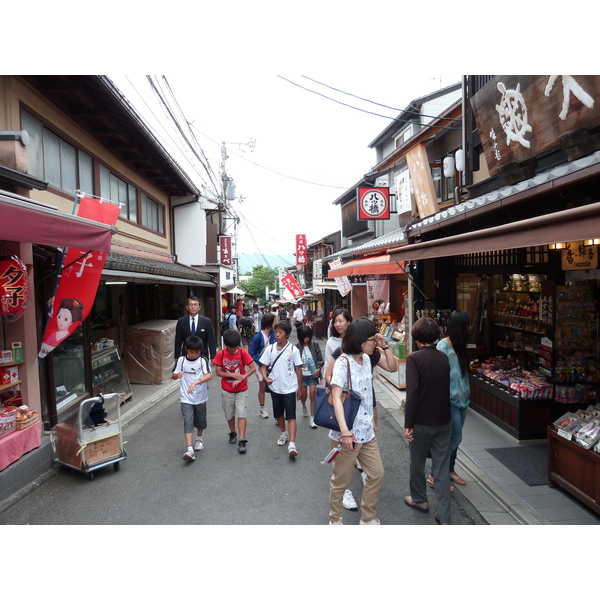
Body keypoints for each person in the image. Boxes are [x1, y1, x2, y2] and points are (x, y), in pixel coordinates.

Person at [326, 327, 396, 510]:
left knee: (377, 474)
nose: (375, 342)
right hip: (348, 432)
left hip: (366, 429)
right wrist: (344, 432)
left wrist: (372, 419)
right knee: (341, 480)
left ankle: (367, 517)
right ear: (360, 341)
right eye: (372, 339)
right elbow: (336, 399)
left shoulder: (367, 358)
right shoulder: (342, 362)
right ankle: (335, 520)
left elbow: (392, 368)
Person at [404, 317, 452, 525]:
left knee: (417, 462)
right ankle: (445, 516)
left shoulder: (414, 359)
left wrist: (408, 423)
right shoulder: (443, 357)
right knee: (441, 469)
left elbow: (413, 393)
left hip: (421, 421)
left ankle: (419, 499)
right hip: (443, 420)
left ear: (417, 337)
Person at [427, 310, 471, 489]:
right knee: (455, 438)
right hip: (450, 401)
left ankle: (450, 470)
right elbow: (437, 376)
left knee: (454, 438)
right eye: (467, 324)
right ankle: (434, 474)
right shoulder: (443, 346)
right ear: (460, 326)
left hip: (463, 400)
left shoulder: (460, 344)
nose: (470, 327)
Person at [259, 320, 303, 457]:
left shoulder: (293, 350)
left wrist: (300, 388)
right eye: (276, 332)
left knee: (291, 415)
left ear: (288, 335)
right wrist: (265, 377)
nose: (277, 335)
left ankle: (292, 443)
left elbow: (298, 369)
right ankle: (283, 432)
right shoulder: (270, 349)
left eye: (280, 332)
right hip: (275, 387)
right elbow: (263, 365)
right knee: (278, 414)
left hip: (290, 387)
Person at [213, 328, 256, 454]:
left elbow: (252, 368)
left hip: (242, 389)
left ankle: (242, 440)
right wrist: (233, 376)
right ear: (226, 345)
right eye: (231, 348)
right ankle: (232, 432)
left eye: (235, 347)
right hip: (227, 389)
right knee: (229, 413)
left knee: (241, 413)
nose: (233, 350)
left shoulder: (242, 353)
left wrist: (242, 377)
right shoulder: (221, 354)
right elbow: (218, 372)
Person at [172, 336, 212, 461]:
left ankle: (199, 438)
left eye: (196, 352)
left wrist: (195, 383)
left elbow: (209, 375)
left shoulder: (202, 361)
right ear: (186, 349)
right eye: (191, 351)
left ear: (200, 350)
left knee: (200, 420)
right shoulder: (181, 361)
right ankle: (190, 449)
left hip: (200, 396)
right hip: (186, 397)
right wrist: (176, 375)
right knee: (188, 420)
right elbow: (173, 375)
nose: (194, 354)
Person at [295, 325, 324, 427]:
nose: (306, 339)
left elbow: (320, 359)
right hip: (302, 375)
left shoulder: (315, 345)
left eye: (308, 337)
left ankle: (313, 418)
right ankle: (304, 406)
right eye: (304, 337)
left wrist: (318, 369)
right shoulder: (297, 347)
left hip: (313, 374)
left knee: (312, 394)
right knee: (303, 395)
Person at [249, 311, 276, 419]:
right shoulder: (258, 336)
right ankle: (262, 408)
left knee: (275, 386)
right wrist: (262, 361)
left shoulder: (274, 333)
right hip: (259, 364)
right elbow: (252, 353)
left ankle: (277, 413)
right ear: (269, 322)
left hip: (272, 363)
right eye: (274, 321)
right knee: (262, 385)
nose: (275, 323)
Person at [174, 296, 216, 362]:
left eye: (195, 305)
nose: (193, 307)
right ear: (187, 307)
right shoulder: (181, 321)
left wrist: (213, 356)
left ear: (199, 307)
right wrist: (176, 356)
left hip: (202, 355)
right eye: (191, 305)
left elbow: (211, 340)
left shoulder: (206, 321)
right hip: (186, 355)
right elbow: (178, 340)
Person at [324, 308, 352, 375]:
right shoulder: (331, 342)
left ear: (348, 322)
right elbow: (327, 364)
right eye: (335, 321)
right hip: (337, 380)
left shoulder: (355, 340)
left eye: (340, 321)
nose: (337, 324)